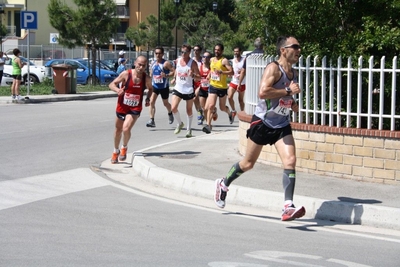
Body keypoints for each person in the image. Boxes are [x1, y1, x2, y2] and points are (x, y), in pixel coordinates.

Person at [214, 36, 306, 222]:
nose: (298, 50)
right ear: (283, 50)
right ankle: (223, 184)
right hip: (262, 123)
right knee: (248, 164)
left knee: (290, 160)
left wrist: (292, 103)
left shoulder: (293, 73)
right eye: (294, 47)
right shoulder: (273, 68)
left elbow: (282, 98)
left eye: (299, 47)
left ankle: (288, 206)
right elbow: (263, 92)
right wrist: (288, 92)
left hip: (281, 124)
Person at [108, 55, 153, 164]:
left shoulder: (146, 78)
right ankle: (115, 150)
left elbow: (151, 89)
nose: (141, 67)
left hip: (135, 107)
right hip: (122, 105)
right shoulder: (126, 74)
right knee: (118, 130)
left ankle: (124, 147)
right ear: (135, 64)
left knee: (126, 128)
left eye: (143, 65)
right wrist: (117, 90)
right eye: (139, 64)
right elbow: (111, 84)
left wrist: (147, 98)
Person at [202, 43, 234, 134]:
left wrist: (222, 72)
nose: (216, 51)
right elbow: (212, 70)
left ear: (222, 51)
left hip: (222, 87)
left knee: (222, 107)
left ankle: (229, 113)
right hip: (213, 86)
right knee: (211, 106)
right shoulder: (212, 59)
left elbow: (231, 72)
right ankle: (208, 125)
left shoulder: (224, 61)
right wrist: (209, 75)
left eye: (218, 50)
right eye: (215, 50)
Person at [170, 44, 200, 138]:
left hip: (188, 89)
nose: (183, 54)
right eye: (181, 52)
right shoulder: (178, 60)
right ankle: (180, 124)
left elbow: (199, 78)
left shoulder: (193, 63)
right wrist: (174, 78)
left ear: (189, 53)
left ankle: (189, 129)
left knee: (189, 110)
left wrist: (193, 75)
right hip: (178, 87)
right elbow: (176, 70)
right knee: (173, 108)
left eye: (185, 52)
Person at [146, 46, 175, 128]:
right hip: (155, 86)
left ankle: (170, 113)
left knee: (165, 104)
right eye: (156, 53)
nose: (158, 55)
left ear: (162, 54)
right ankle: (151, 120)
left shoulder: (166, 63)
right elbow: (151, 74)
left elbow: (174, 72)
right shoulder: (153, 63)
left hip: (164, 87)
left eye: (159, 53)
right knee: (151, 102)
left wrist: (166, 75)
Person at [227, 47, 246, 122]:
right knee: (229, 97)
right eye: (234, 51)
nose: (236, 53)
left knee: (240, 100)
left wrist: (242, 71)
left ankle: (242, 113)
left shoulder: (244, 60)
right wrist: (229, 74)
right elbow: (231, 70)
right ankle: (233, 110)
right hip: (234, 81)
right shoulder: (233, 61)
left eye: (237, 51)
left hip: (242, 83)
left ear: (240, 52)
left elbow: (246, 70)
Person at [196, 51, 212, 125]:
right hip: (202, 88)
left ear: (209, 58)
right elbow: (197, 78)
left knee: (208, 107)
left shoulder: (212, 67)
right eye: (203, 56)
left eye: (207, 57)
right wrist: (193, 76)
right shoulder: (200, 67)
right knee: (204, 108)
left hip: (210, 89)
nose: (205, 58)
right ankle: (207, 122)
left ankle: (208, 123)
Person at [192, 45, 204, 125]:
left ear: (200, 51)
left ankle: (200, 114)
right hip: (193, 82)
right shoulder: (191, 61)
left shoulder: (203, 60)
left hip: (202, 82)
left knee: (195, 97)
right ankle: (200, 112)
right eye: (194, 50)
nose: (195, 52)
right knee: (194, 99)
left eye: (197, 50)